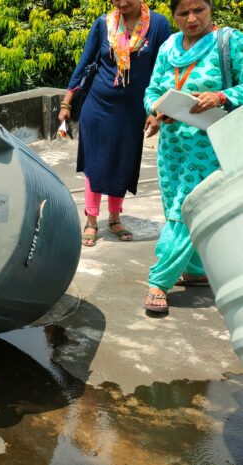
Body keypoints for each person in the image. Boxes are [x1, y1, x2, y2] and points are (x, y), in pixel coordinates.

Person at [143, 0, 243, 314]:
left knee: (186, 210)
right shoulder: (168, 47)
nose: (191, 19)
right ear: (173, 15)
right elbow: (152, 89)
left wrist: (223, 96)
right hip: (172, 147)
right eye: (183, 13)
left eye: (198, 9)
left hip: (211, 145)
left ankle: (159, 280)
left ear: (210, 8)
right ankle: (196, 270)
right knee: (176, 204)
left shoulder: (229, 41)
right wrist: (157, 110)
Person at [59, 0, 171, 247]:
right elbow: (85, 62)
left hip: (133, 110)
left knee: (123, 162)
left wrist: (158, 109)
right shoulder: (103, 24)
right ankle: (91, 220)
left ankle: (114, 218)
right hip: (98, 107)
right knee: (95, 162)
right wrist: (67, 103)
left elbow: (163, 69)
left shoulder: (159, 24)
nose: (122, 3)